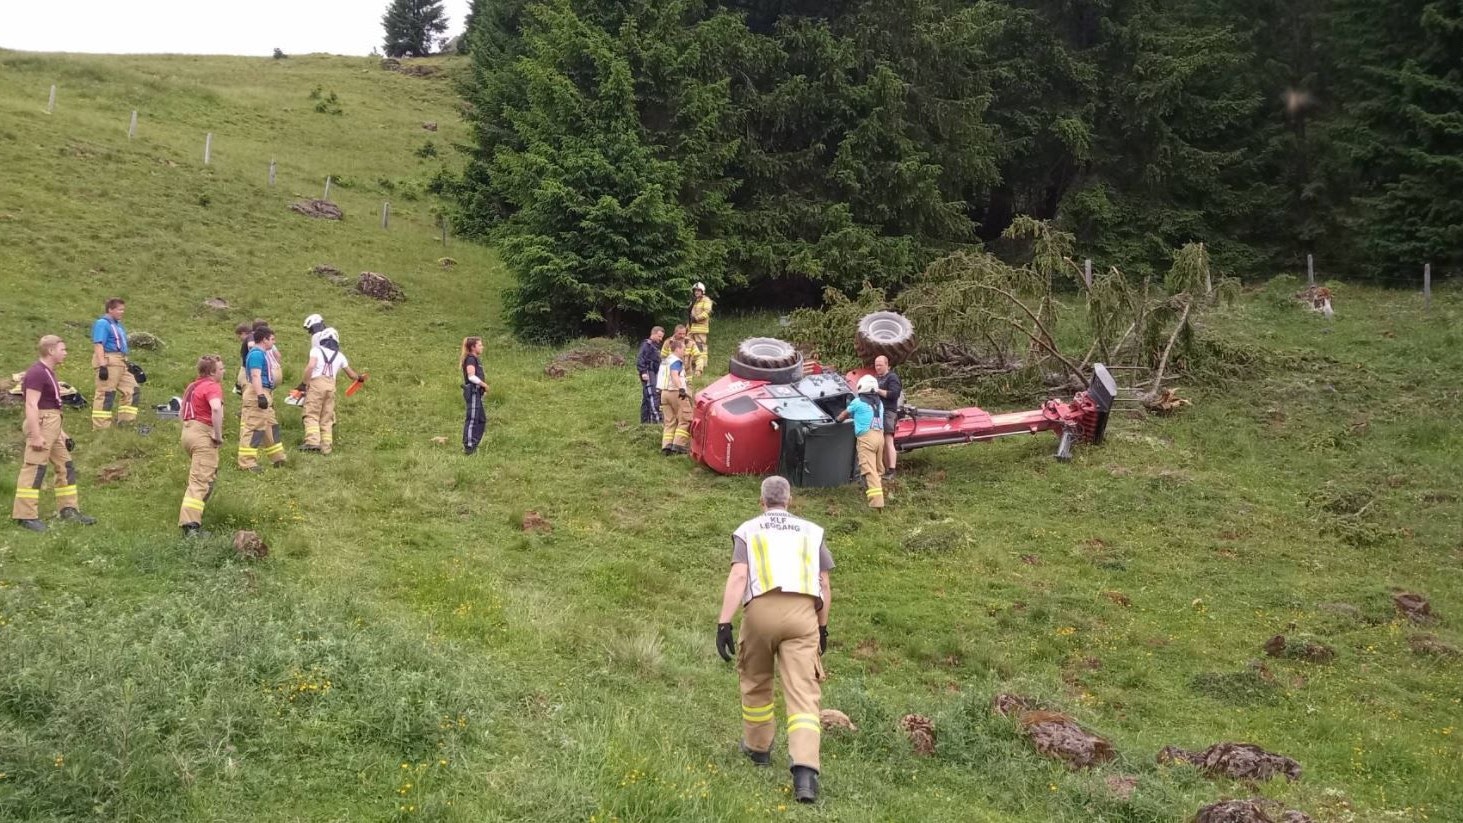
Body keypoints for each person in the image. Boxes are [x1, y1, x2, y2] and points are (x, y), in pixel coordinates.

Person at [716, 475, 833, 804]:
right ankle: (806, 774)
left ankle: (757, 748)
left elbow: (739, 575)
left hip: (761, 610)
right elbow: (824, 583)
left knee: (756, 678)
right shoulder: (813, 531)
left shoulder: (749, 529)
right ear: (790, 500)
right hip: (803, 613)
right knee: (803, 693)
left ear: (761, 500)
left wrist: (724, 622)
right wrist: (822, 628)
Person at [13, 335, 96, 531]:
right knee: (34, 467)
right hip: (41, 424)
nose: (65, 353)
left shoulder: (48, 372)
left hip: (52, 424)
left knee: (65, 465)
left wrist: (62, 434)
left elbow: (51, 407)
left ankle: (68, 509)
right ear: (51, 351)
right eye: (63, 349)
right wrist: (35, 435)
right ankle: (25, 515)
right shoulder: (36, 373)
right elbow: (32, 405)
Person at [178, 355, 225, 537]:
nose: (223, 372)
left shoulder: (192, 386)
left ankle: (195, 517)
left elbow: (182, 412)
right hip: (203, 433)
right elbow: (215, 407)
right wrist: (217, 435)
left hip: (188, 431)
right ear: (212, 372)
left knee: (205, 477)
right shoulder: (212, 386)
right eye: (221, 369)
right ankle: (190, 527)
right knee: (200, 481)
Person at [299, 328, 364, 454]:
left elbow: (311, 366)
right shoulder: (340, 356)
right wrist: (360, 378)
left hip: (317, 384)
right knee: (327, 417)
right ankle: (326, 447)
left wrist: (304, 383)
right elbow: (351, 375)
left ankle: (312, 442)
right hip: (331, 386)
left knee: (312, 413)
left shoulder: (316, 350)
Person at [238, 326, 287, 470]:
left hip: (265, 392)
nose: (273, 342)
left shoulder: (261, 353)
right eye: (272, 339)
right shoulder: (256, 354)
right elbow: (255, 375)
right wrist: (260, 395)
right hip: (257, 393)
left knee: (270, 426)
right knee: (253, 428)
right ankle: (247, 463)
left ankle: (278, 458)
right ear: (264, 339)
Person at [90, 297, 140, 428]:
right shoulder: (102, 323)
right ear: (110, 310)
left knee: (132, 389)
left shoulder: (117, 325)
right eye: (119, 309)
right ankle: (101, 427)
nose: (122, 312)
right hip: (109, 360)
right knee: (106, 393)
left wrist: (128, 364)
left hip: (121, 361)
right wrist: (102, 365)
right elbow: (99, 344)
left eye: (123, 309)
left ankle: (126, 422)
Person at [836, 375, 885, 508]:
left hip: (867, 438)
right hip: (880, 437)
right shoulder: (879, 403)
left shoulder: (857, 402)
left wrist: (837, 420)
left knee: (869, 470)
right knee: (878, 469)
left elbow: (844, 415)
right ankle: (874, 491)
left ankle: (877, 504)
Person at [657, 337, 692, 454]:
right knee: (685, 419)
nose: (685, 352)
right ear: (677, 349)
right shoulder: (676, 361)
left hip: (664, 393)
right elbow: (674, 375)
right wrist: (681, 388)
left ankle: (666, 447)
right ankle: (679, 446)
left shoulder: (665, 360)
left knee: (669, 421)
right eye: (683, 349)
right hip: (675, 393)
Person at [873, 356, 902, 479]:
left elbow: (894, 394)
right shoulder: (876, 378)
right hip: (877, 412)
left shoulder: (892, 377)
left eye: (880, 365)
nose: (877, 367)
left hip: (888, 412)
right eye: (876, 365)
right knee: (881, 442)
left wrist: (877, 391)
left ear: (887, 365)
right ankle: (883, 469)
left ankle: (892, 470)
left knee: (888, 440)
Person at [461, 337, 489, 455]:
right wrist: (484, 385)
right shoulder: (471, 359)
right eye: (480, 345)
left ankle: (474, 444)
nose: (482, 347)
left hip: (477, 392)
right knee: (472, 419)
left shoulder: (475, 359)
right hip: (472, 391)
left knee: (481, 419)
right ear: (473, 347)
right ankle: (469, 446)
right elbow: (471, 376)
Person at [637, 325, 665, 425]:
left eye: (661, 337)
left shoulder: (655, 346)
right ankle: (658, 420)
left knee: (646, 397)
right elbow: (640, 359)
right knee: (653, 395)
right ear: (653, 334)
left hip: (654, 372)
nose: (660, 339)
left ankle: (645, 422)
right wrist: (643, 372)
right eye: (659, 336)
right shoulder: (647, 345)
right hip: (648, 372)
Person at [688, 282, 713, 377]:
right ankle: (692, 364)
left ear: (702, 291)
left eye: (698, 290)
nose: (696, 292)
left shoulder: (706, 300)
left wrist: (697, 318)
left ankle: (700, 367)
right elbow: (689, 315)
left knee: (700, 348)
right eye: (695, 290)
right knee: (690, 346)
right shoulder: (694, 301)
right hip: (692, 328)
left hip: (701, 329)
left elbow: (707, 312)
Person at [232, 323, 254, 394]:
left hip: (247, 368)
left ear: (243, 333)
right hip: (246, 367)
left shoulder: (250, 337)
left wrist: (253, 356)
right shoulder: (253, 336)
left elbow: (251, 345)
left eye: (239, 336)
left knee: (246, 389)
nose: (240, 339)